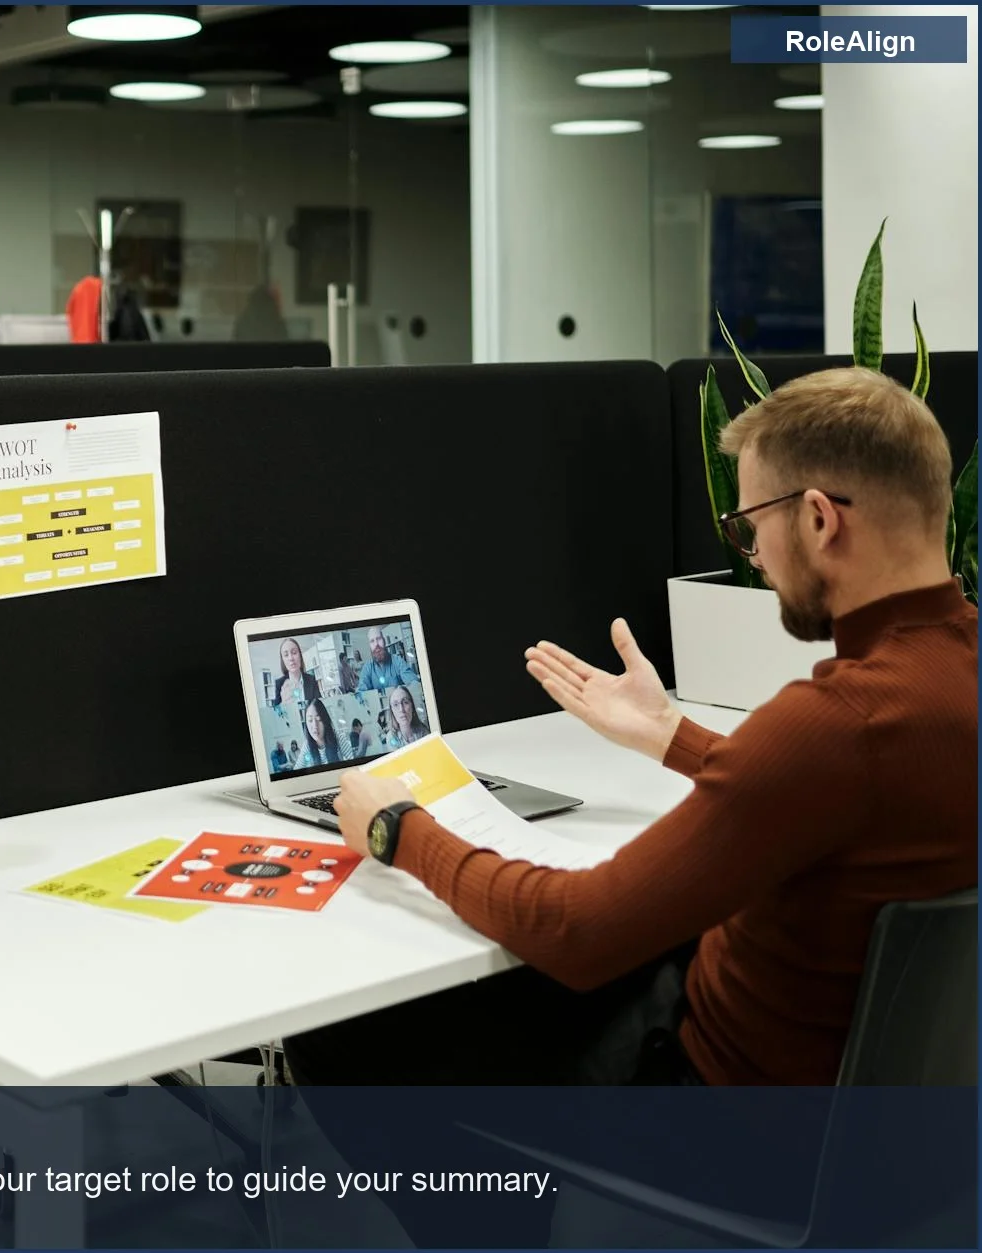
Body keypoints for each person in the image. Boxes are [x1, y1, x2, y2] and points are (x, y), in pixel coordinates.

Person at [304, 367, 977, 1090]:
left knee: (338, 1037)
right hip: (881, 1135)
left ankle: (520, 1200)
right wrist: (669, 734)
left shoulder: (835, 722)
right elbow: (841, 794)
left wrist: (398, 829)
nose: (755, 556)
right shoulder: (928, 689)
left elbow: (576, 931)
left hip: (707, 1112)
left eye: (750, 528)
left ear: (819, 519)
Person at [355, 626, 419, 692]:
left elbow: (414, 684)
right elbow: (361, 691)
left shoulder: (398, 661)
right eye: (372, 641)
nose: (376, 644)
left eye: (379, 639)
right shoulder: (367, 667)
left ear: (384, 641)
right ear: (370, 646)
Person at [269, 637, 320, 710]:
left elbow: (319, 705)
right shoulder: (279, 684)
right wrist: (283, 703)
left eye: (294, 653)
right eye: (286, 655)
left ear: (300, 655)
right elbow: (276, 713)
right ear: (283, 660)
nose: (291, 658)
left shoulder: (311, 680)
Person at [297, 698, 346, 768]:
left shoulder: (338, 738)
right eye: (310, 720)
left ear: (325, 720)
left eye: (319, 719)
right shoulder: (307, 746)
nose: (315, 726)